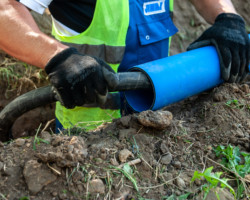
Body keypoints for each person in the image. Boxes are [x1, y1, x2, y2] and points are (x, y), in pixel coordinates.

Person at [0, 0, 249, 132]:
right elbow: (5, 12)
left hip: (158, 127)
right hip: (87, 139)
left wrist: (227, 18)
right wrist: (57, 57)